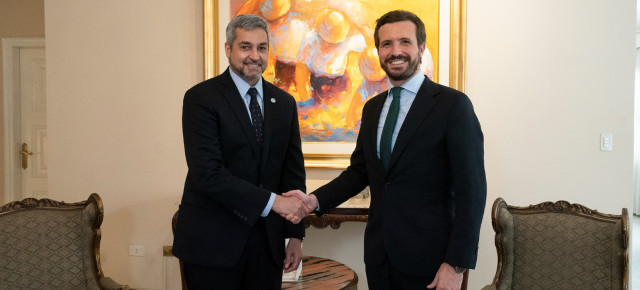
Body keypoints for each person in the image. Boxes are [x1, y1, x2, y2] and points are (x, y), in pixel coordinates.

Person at [285, 10, 486, 290]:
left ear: (421, 48)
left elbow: (472, 192)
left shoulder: (453, 106)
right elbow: (359, 173)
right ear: (378, 51)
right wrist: (311, 202)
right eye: (386, 44)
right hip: (381, 257)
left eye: (405, 42)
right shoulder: (373, 109)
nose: (396, 51)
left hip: (434, 262)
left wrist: (456, 264)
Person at [172, 14, 308, 289]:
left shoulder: (283, 103)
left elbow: (292, 173)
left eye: (261, 48)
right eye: (245, 47)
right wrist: (276, 202)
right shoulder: (201, 98)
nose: (254, 56)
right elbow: (208, 175)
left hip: (267, 247)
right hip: (213, 243)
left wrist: (295, 236)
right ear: (228, 50)